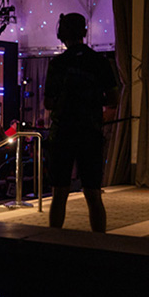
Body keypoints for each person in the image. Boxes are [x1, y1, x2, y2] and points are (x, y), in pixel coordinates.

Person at [44, 13, 118, 233]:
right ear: (84, 32)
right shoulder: (100, 62)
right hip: (91, 132)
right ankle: (99, 243)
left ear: (61, 34)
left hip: (63, 133)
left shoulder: (57, 64)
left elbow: (48, 102)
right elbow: (114, 99)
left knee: (59, 193)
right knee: (93, 194)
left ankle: (54, 242)